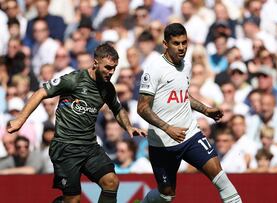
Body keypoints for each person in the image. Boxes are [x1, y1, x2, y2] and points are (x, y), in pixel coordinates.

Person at [7, 43, 147, 203]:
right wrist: (19, 120)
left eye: (114, 68)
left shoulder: (107, 88)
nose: (111, 72)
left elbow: (118, 109)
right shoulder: (74, 79)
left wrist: (128, 127)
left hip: (89, 146)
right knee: (73, 200)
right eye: (108, 67)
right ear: (96, 63)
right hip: (65, 147)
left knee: (111, 182)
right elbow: (41, 93)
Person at [137, 23, 241, 203]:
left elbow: (182, 95)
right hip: (162, 142)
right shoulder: (154, 68)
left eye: (184, 43)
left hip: (190, 134)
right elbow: (142, 108)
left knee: (221, 178)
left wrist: (206, 110)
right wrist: (168, 128)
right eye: (176, 43)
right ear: (165, 44)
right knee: (166, 196)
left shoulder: (186, 65)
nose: (182, 48)